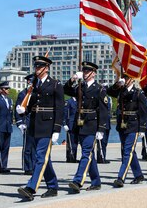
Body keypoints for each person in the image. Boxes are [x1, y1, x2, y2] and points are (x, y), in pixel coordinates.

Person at [17, 56, 64, 200]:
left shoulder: (55, 85)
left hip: (48, 125)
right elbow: (32, 105)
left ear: (47, 68)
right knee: (44, 158)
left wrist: (57, 129)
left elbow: (60, 109)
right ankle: (52, 186)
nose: (37, 69)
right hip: (35, 125)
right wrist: (23, 110)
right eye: (36, 67)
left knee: (40, 157)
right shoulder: (34, 85)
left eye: (39, 67)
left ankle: (31, 188)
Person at [64, 61, 108, 194]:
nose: (85, 74)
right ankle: (96, 182)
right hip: (80, 124)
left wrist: (101, 128)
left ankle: (78, 180)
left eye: (87, 71)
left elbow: (104, 110)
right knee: (89, 154)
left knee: (86, 153)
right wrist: (73, 79)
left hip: (92, 124)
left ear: (94, 73)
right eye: (84, 71)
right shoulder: (80, 86)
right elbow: (65, 90)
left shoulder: (99, 89)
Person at [107, 73, 147, 187]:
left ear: (131, 79)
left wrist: (142, 128)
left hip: (133, 125)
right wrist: (117, 84)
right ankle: (138, 175)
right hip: (122, 124)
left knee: (127, 152)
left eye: (126, 78)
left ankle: (121, 177)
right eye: (123, 78)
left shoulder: (138, 93)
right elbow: (109, 92)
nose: (124, 80)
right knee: (129, 151)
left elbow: (144, 112)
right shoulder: (120, 90)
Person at [15, 74, 36, 175]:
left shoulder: (36, 93)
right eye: (31, 81)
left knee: (35, 147)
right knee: (27, 147)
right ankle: (27, 167)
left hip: (35, 123)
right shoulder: (23, 94)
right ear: (28, 82)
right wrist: (20, 123)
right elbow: (17, 109)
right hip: (26, 122)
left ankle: (34, 166)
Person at [63, 97, 78, 163]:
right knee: (71, 142)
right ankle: (70, 157)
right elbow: (65, 113)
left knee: (75, 142)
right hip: (70, 124)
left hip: (78, 124)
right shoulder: (69, 101)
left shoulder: (79, 100)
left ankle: (74, 156)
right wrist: (64, 123)